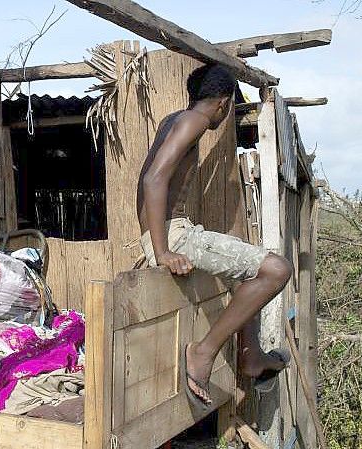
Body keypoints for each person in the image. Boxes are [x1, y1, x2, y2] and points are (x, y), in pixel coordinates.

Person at [136, 64, 293, 408]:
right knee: (277, 270)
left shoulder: (174, 120)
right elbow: (153, 180)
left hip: (174, 230)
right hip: (172, 233)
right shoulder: (195, 121)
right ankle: (203, 353)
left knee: (246, 271)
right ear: (223, 103)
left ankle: (252, 359)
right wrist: (162, 251)